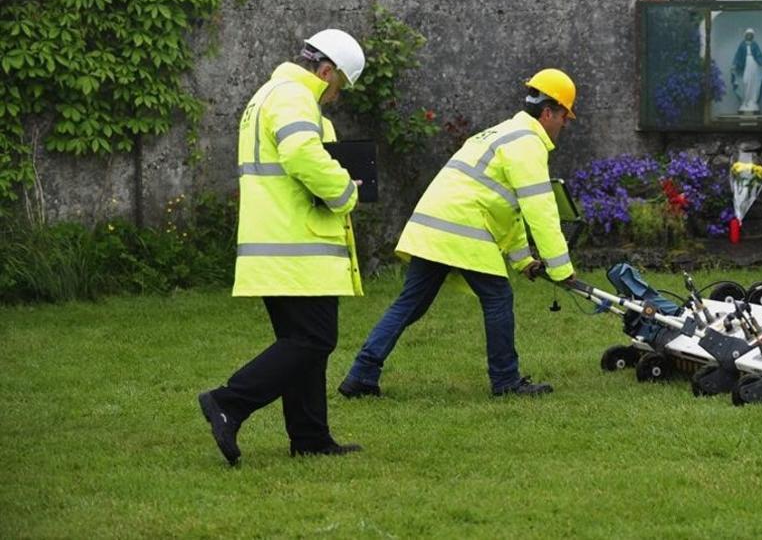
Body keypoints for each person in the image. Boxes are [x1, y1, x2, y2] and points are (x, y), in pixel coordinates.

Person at [338, 68, 578, 399]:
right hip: (462, 229)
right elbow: (540, 210)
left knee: (410, 304)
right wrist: (562, 269)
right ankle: (506, 380)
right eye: (565, 117)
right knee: (497, 297)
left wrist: (524, 261)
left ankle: (361, 375)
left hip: (432, 225)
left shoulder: (499, 133)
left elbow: (505, 209)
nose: (564, 125)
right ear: (549, 111)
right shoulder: (527, 144)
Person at [198, 29, 367, 466]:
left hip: (277, 245)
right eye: (339, 86)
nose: (336, 97)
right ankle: (227, 402)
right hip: (298, 245)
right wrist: (346, 191)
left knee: (301, 341)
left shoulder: (268, 95)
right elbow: (301, 155)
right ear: (326, 71)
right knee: (313, 341)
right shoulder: (294, 96)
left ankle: (310, 437)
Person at [731, 28, 762, 113]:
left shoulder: (755, 44)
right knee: (745, 81)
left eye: (751, 35)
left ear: (752, 36)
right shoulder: (742, 45)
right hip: (745, 63)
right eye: (748, 34)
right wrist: (734, 64)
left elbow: (759, 55)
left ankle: (752, 101)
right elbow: (738, 55)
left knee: (753, 81)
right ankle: (745, 100)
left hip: (753, 63)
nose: (749, 36)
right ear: (745, 35)